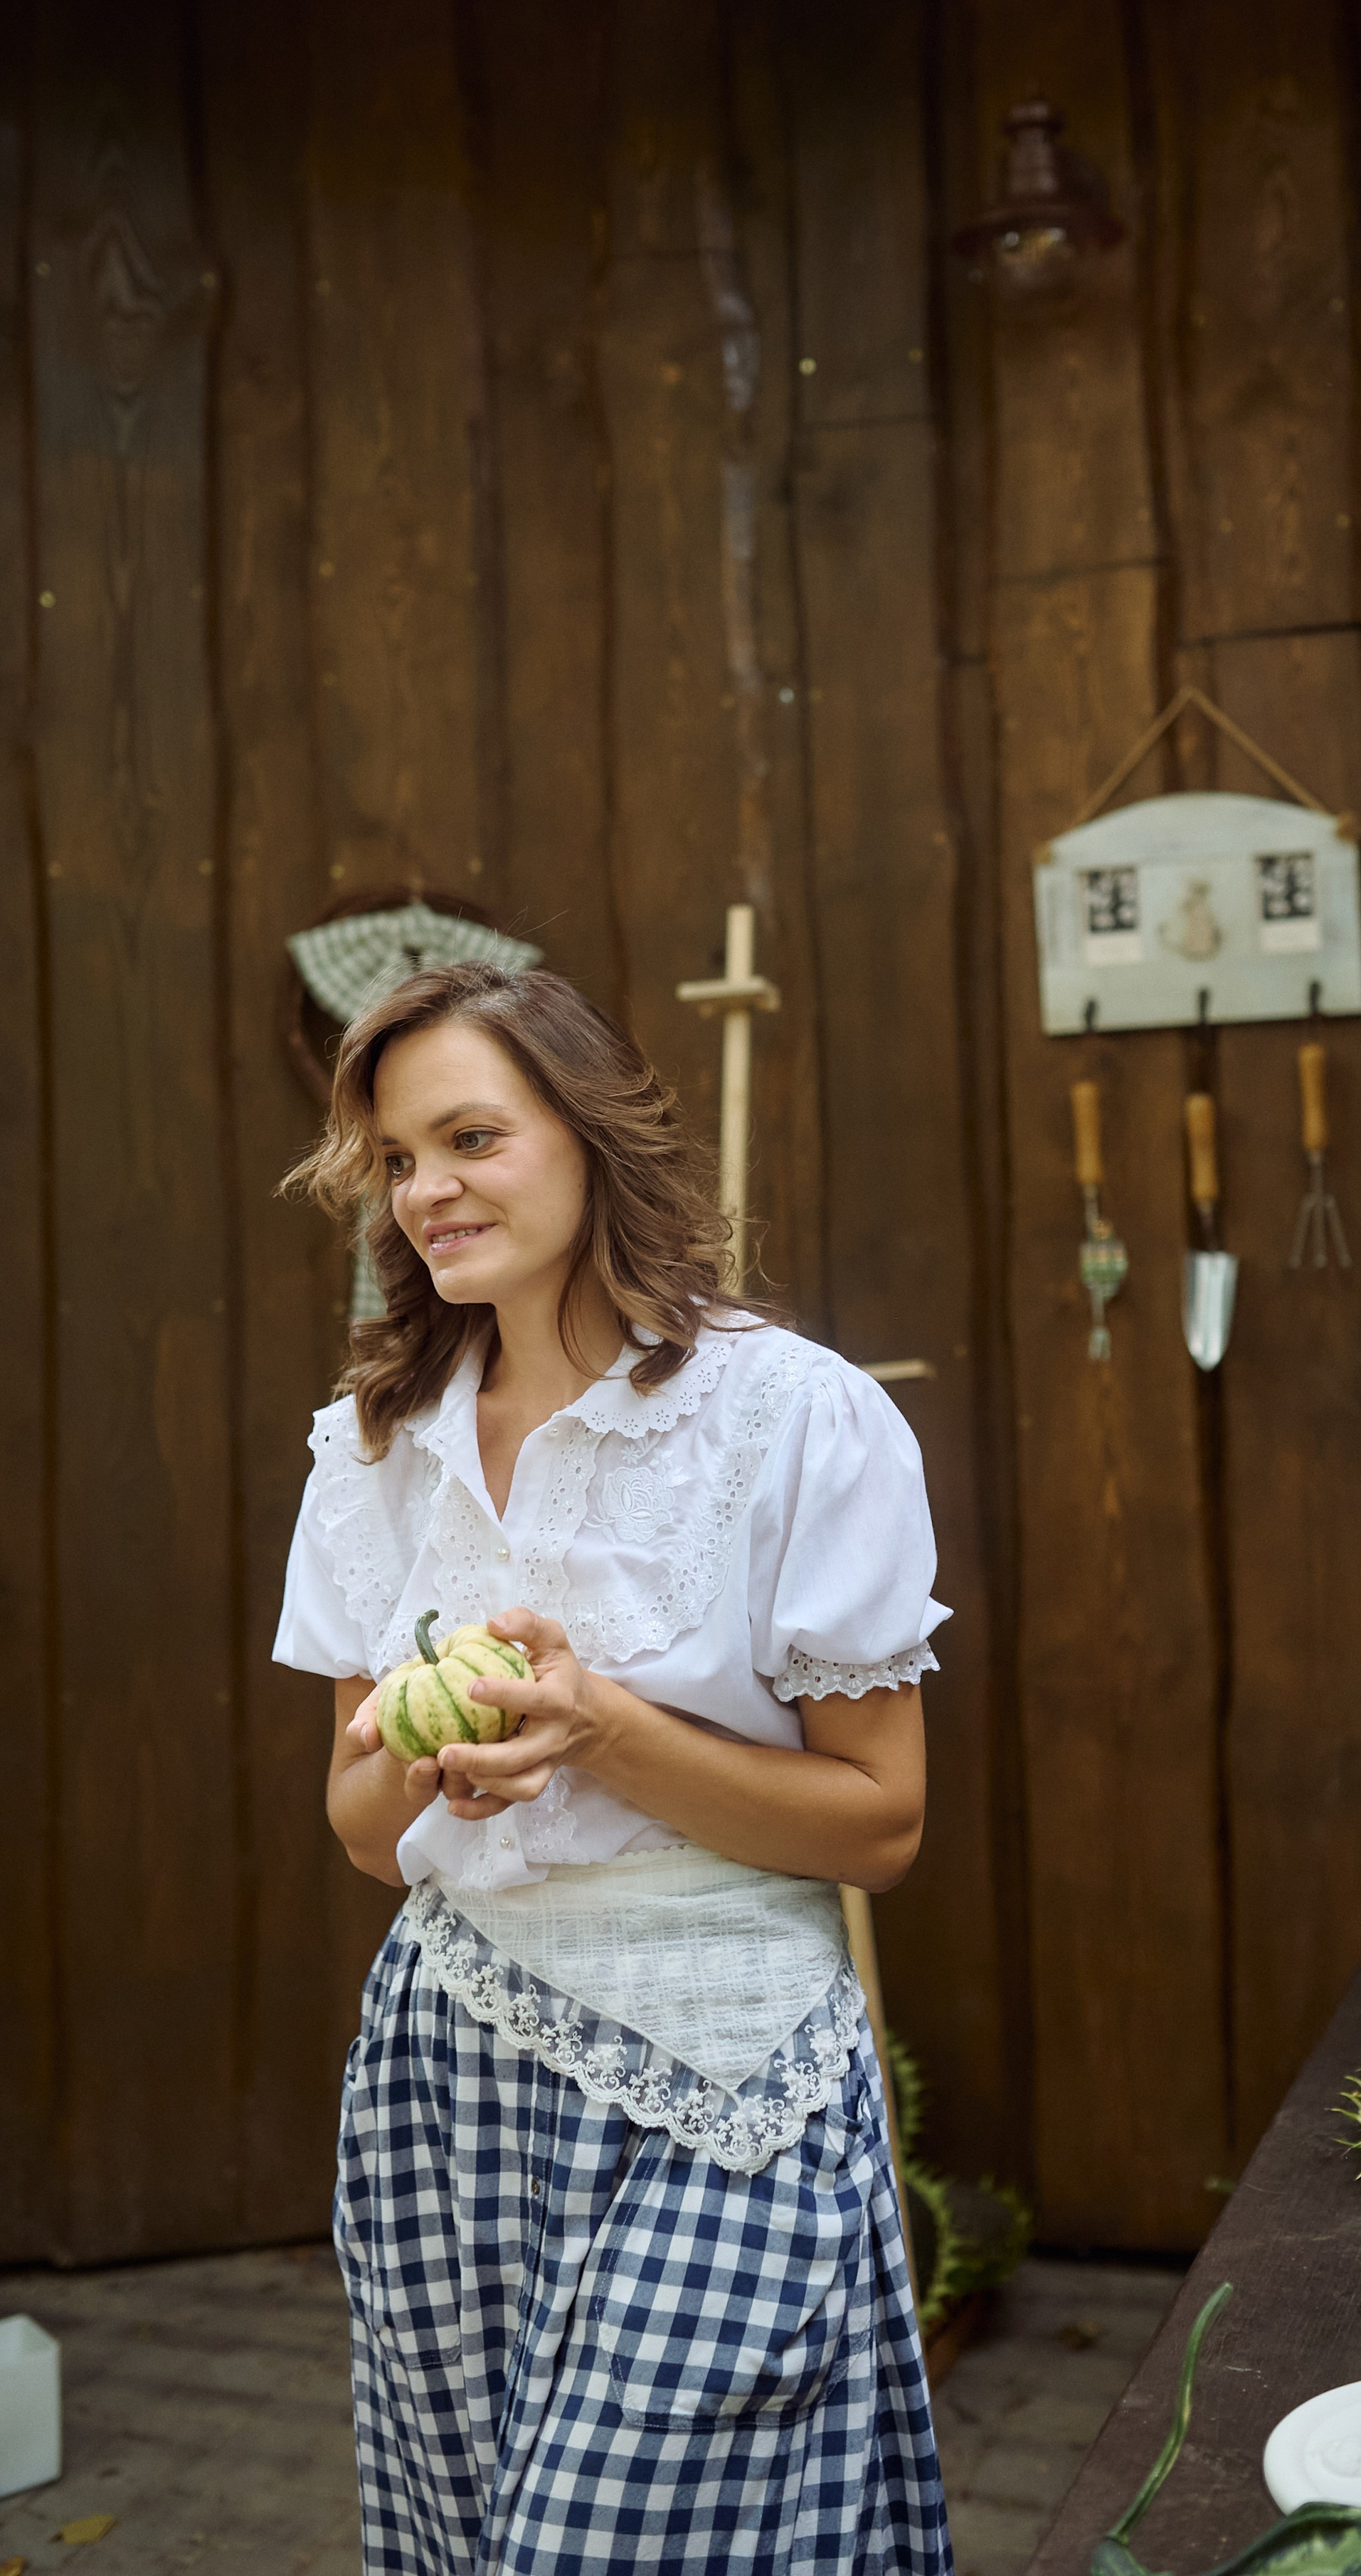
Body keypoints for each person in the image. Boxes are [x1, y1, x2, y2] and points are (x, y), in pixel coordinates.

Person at [274, 960, 953, 2575]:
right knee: (464, 2537)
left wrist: (604, 1730)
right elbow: (361, 1830)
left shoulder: (794, 1417)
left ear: (587, 1134)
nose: (428, 1189)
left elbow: (882, 1823)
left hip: (718, 2077)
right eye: (396, 1158)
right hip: (447, 2076)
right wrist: (419, 1755)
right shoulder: (377, 1440)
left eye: (470, 1138)